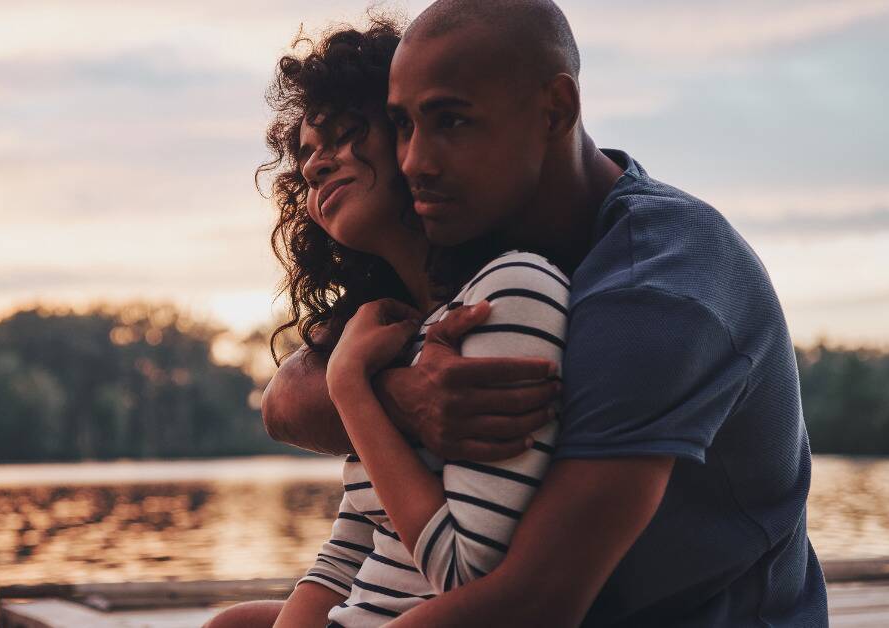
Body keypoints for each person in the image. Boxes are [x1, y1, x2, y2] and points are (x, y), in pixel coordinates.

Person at [263, 0, 828, 626]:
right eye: (402, 126)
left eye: (451, 121)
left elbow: (533, 604)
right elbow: (285, 399)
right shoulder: (477, 254)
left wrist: (367, 390)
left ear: (555, 110)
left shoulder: (656, 288)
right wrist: (398, 393)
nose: (416, 160)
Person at [206, 16, 568, 628]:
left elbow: (465, 576)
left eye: (345, 136)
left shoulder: (506, 296)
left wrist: (350, 385)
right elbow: (351, 545)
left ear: (411, 139)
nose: (317, 164)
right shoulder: (391, 332)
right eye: (307, 153)